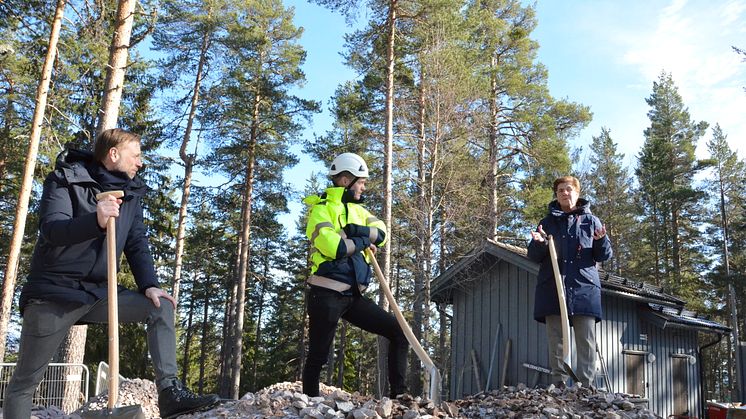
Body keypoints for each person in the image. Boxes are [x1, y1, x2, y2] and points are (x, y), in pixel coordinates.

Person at [3, 129, 219, 419]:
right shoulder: (65, 180)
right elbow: (52, 230)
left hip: (100, 294)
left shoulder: (130, 193)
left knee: (160, 306)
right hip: (54, 293)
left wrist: (149, 285)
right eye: (136, 155)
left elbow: (137, 242)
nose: (140, 163)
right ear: (114, 154)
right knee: (24, 383)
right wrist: (96, 220)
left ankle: (169, 393)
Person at [301, 152, 408, 398]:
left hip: (353, 296)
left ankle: (400, 397)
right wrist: (363, 240)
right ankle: (309, 406)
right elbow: (335, 248)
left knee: (397, 331)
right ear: (346, 180)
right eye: (361, 182)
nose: (363, 187)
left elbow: (381, 234)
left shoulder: (360, 211)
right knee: (318, 355)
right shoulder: (321, 211)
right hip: (326, 293)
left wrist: (354, 233)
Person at [527, 175, 613, 388]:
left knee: (586, 340)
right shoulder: (546, 224)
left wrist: (601, 241)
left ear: (577, 192)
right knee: (557, 340)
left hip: (584, 288)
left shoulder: (592, 222)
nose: (565, 193)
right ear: (556, 195)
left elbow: (604, 256)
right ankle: (559, 383)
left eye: (568, 189)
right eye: (560, 191)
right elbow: (534, 256)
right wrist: (538, 244)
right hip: (553, 287)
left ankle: (585, 385)